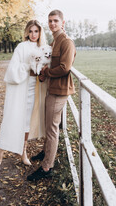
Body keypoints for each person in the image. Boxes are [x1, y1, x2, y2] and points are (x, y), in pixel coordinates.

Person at [27, 10, 76, 181]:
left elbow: (65, 68)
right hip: (52, 88)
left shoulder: (67, 42)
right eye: (50, 21)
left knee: (52, 129)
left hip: (59, 90)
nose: (52, 23)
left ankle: (47, 166)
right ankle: (45, 151)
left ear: (63, 22)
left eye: (55, 20)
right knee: (49, 125)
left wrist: (46, 72)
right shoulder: (55, 41)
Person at [0, 20, 47, 168]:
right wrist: (28, 68)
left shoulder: (43, 48)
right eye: (30, 31)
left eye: (36, 31)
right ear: (27, 32)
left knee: (26, 123)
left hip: (34, 89)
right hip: (21, 87)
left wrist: (42, 72)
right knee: (12, 118)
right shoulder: (21, 47)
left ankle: (22, 152)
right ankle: (1, 150)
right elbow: (12, 69)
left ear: (40, 32)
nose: (33, 34)